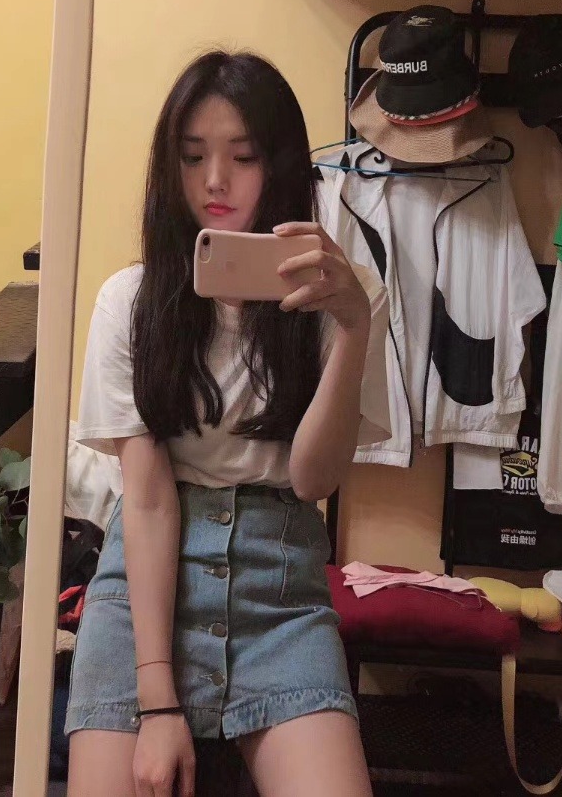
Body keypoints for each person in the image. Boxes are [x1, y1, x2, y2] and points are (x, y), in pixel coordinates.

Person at [64, 50, 389, 797]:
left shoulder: (346, 297)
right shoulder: (130, 302)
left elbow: (314, 479)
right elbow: (147, 501)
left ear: (280, 166)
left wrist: (351, 328)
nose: (215, 180)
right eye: (192, 157)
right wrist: (158, 703)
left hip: (282, 593)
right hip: (143, 592)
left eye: (242, 157)